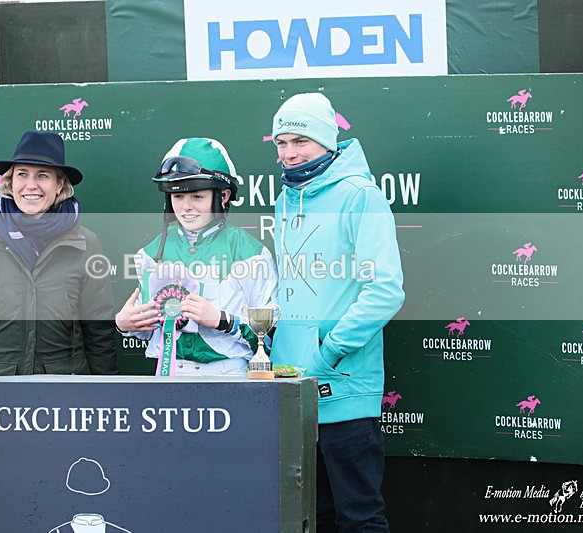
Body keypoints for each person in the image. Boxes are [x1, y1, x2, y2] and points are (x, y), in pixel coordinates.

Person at [268, 93, 405, 532]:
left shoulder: (359, 195)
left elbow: (385, 290)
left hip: (344, 388)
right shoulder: (286, 198)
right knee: (311, 515)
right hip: (292, 387)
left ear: (326, 140)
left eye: (300, 142)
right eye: (281, 143)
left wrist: (328, 354)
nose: (289, 154)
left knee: (358, 514)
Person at [0, 130, 118, 377]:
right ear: (10, 182)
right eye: (22, 174)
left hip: (64, 394)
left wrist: (105, 396)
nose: (31, 185)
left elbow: (99, 334)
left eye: (43, 175)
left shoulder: (85, 243)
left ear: (60, 184)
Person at [115, 137, 277, 376]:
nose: (186, 206)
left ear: (222, 197)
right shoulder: (151, 252)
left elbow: (272, 338)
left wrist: (224, 321)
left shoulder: (250, 253)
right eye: (178, 196)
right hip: (167, 374)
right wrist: (125, 325)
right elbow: (151, 328)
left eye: (197, 196)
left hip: (229, 375)